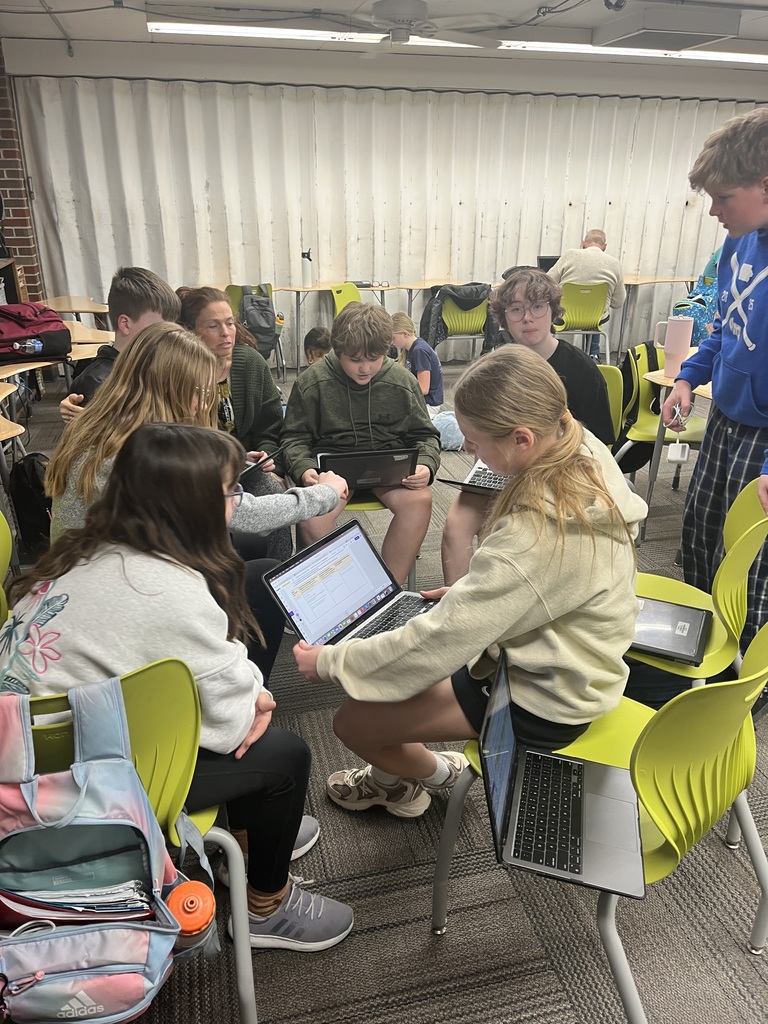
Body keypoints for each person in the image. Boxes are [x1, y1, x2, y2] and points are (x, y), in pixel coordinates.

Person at [0, 423, 354, 952]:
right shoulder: (168, 588)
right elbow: (232, 725)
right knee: (284, 755)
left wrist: (241, 689)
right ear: (192, 508)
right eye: (231, 492)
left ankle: (246, 840)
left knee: (245, 696)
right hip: (63, 792)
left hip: (30, 748)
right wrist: (253, 696)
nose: (238, 502)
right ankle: (266, 905)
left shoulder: (86, 550)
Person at [293, 346, 647, 818]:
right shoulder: (576, 441)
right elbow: (540, 587)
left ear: (522, 438)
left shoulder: (536, 540)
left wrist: (330, 662)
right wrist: (478, 596)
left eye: (476, 443)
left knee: (352, 720)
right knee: (391, 673)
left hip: (546, 693)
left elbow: (441, 642)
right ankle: (410, 773)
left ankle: (431, 778)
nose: (468, 453)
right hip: (566, 651)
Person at [46, 323, 347, 679]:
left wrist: (227, 468)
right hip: (117, 606)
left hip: (86, 581)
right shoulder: (140, 451)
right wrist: (324, 495)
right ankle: (240, 694)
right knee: (260, 573)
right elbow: (244, 513)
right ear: (169, 389)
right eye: (200, 392)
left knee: (243, 545)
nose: (206, 403)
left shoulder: (102, 424)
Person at [661, 107, 768, 651]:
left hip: (765, 436)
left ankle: (746, 668)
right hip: (726, 414)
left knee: (750, 558)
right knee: (700, 533)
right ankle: (695, 643)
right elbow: (725, 326)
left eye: (723, 197)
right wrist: (688, 379)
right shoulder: (737, 241)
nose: (713, 211)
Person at [441, 269, 615, 584]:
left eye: (537, 307)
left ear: (553, 312)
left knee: (515, 536)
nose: (527, 318)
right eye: (516, 310)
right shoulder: (498, 365)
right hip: (502, 466)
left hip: (560, 473)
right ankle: (461, 608)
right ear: (504, 318)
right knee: (455, 526)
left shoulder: (581, 370)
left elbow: (599, 444)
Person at [282, 302, 441, 586]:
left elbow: (425, 435)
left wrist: (427, 466)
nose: (365, 368)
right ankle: (342, 594)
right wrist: (304, 468)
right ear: (338, 350)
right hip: (331, 472)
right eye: (354, 359)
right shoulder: (312, 382)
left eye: (374, 358)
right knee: (312, 515)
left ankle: (385, 592)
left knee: (420, 500)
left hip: (387, 468)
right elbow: (294, 438)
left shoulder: (402, 381)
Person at [178, 287, 285, 474]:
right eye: (213, 326)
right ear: (191, 331)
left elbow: (270, 427)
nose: (225, 333)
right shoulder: (180, 373)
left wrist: (266, 455)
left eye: (230, 323)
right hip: (204, 469)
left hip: (254, 466)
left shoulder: (252, 363)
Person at [60, 266, 181, 422]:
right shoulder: (97, 383)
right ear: (125, 324)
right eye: (158, 328)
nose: (167, 336)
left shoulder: (156, 363)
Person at [547, 229, 626, 359]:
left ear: (583, 244)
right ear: (604, 247)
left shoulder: (570, 255)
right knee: (595, 311)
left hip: (564, 316)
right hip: (595, 318)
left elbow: (547, 283)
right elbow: (618, 303)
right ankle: (593, 354)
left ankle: (552, 354)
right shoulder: (615, 264)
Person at [391, 311, 444, 413]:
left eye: (393, 338)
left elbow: (423, 389)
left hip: (428, 404)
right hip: (423, 401)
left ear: (405, 334)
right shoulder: (411, 348)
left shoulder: (419, 350)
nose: (391, 343)